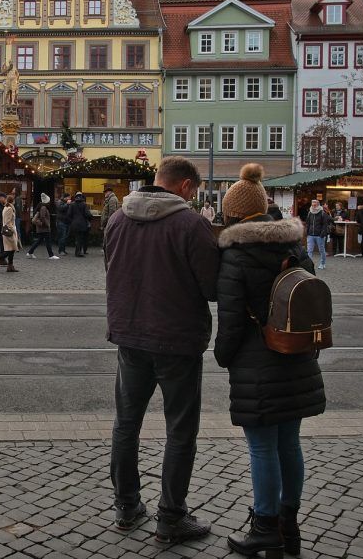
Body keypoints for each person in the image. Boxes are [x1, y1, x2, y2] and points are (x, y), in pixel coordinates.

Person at [105, 156, 219, 544]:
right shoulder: (192, 224)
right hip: (177, 339)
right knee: (180, 430)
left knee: (126, 424)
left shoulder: (118, 219)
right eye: (195, 191)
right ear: (186, 186)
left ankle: (126, 505)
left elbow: (111, 269)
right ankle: (170, 517)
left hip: (130, 335)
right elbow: (213, 287)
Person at [215, 164, 325, 558]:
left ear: (233, 214)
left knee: (262, 448)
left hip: (256, 362)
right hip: (296, 355)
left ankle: (264, 526)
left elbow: (229, 323)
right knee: (289, 443)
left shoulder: (236, 257)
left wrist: (222, 356)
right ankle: (288, 524)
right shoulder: (293, 248)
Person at [26, 193, 57, 259]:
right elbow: (43, 217)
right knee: (47, 241)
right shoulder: (44, 207)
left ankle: (30, 252)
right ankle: (51, 255)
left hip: (42, 227)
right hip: (44, 227)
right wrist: (47, 224)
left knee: (39, 240)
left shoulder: (42, 206)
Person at [304, 199, 332, 270]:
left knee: (321, 250)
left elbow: (325, 224)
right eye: (312, 205)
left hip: (319, 235)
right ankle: (309, 265)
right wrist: (306, 232)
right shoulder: (310, 212)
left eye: (315, 205)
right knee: (309, 251)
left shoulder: (322, 213)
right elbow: (308, 223)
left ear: (318, 205)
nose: (313, 206)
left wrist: (322, 233)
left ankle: (322, 263)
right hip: (310, 234)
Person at [0, 195, 21, 272]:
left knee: (11, 249)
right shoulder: (9, 209)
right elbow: (8, 221)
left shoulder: (6, 208)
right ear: (13, 201)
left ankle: (10, 266)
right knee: (11, 249)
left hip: (7, 230)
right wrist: (12, 230)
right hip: (9, 231)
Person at [67, 192, 93, 256]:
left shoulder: (72, 204)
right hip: (82, 224)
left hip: (74, 224)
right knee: (80, 238)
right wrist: (90, 218)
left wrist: (72, 221)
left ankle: (78, 252)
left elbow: (68, 215)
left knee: (77, 238)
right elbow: (87, 214)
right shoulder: (84, 204)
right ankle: (78, 252)